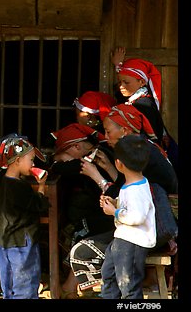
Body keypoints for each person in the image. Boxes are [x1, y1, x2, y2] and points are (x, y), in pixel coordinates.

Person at [64, 104, 177, 297]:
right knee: (110, 274)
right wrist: (108, 170)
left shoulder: (139, 171)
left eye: (108, 131)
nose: (105, 136)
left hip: (144, 232)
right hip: (133, 231)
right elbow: (128, 195)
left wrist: (100, 181)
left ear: (124, 131)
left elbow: (137, 212)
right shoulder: (140, 151)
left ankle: (70, 288)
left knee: (85, 233)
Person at [49, 123, 114, 299]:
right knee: (82, 225)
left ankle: (70, 286)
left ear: (77, 147)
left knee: (82, 229)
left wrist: (56, 164)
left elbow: (60, 168)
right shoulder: (100, 152)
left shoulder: (95, 157)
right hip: (110, 212)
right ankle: (72, 285)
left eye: (65, 157)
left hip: (115, 216)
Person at [0, 134, 50, 299]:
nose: (33, 164)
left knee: (8, 284)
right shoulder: (21, 187)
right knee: (25, 285)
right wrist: (41, 186)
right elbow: (38, 205)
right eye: (31, 160)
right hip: (22, 242)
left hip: (4, 239)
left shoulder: (1, 180)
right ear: (17, 161)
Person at [99, 134, 156, 299]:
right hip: (122, 239)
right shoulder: (132, 184)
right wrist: (115, 203)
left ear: (118, 164)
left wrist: (114, 212)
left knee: (128, 285)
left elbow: (136, 217)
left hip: (133, 242)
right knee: (108, 274)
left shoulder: (136, 189)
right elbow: (131, 207)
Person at [111, 47, 164, 142]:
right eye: (119, 82)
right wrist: (118, 66)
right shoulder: (132, 98)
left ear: (142, 82)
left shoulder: (144, 105)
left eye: (126, 83)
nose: (121, 86)